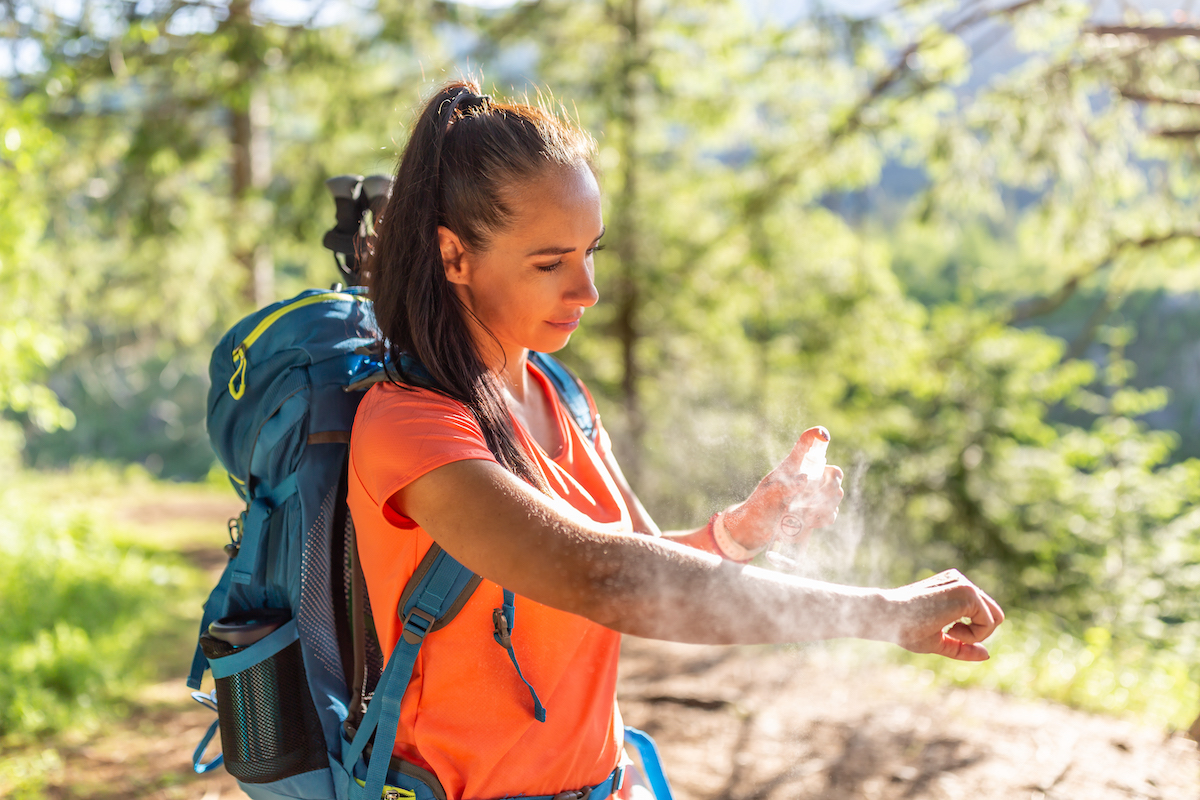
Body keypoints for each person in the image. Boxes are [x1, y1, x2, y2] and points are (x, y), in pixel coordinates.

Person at [347, 80, 1004, 800]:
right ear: (454, 257)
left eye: (590, 252)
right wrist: (881, 611)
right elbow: (601, 577)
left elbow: (652, 573)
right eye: (550, 262)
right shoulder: (410, 427)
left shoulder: (558, 393)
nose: (587, 289)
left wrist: (739, 532)